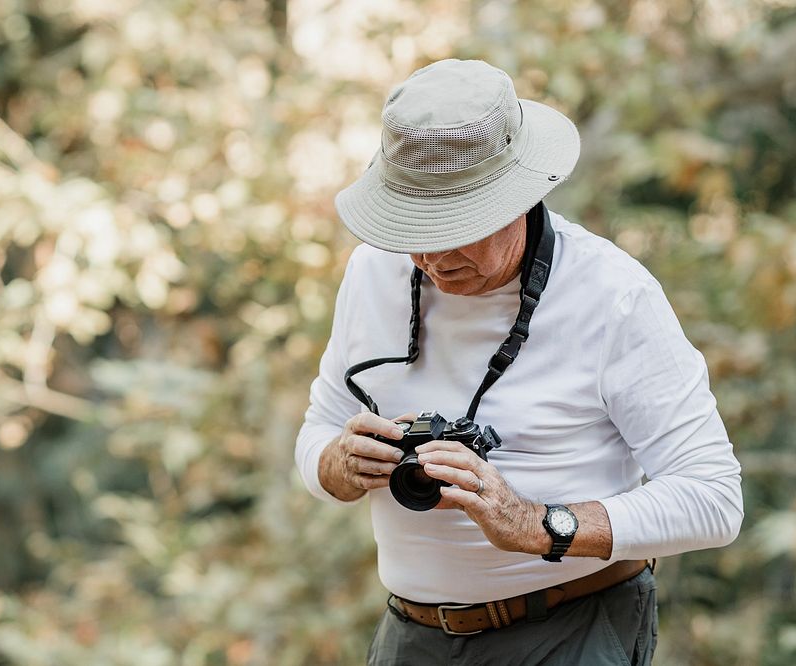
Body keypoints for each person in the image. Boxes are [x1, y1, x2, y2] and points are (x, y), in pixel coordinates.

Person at [294, 59, 743, 665]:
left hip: (570, 627)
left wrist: (538, 524)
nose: (432, 254)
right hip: (412, 636)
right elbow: (320, 425)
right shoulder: (371, 273)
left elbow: (713, 499)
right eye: (413, 225)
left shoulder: (613, 295)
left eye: (457, 225)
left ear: (521, 196)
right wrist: (336, 465)